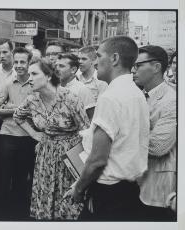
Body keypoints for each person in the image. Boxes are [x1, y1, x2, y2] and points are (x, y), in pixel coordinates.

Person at [71, 36, 150, 221]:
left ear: (114, 58)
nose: (95, 62)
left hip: (108, 193)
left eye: (98, 56)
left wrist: (79, 188)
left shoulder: (111, 97)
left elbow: (98, 160)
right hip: (129, 188)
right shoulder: (136, 92)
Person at [13, 58, 90, 220]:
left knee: (67, 201)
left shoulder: (70, 98)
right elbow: (17, 116)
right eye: (29, 74)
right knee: (46, 196)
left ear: (48, 76)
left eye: (34, 74)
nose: (29, 78)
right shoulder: (32, 99)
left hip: (69, 155)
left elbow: (86, 131)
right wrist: (34, 134)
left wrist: (82, 164)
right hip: (45, 154)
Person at [0, 47, 36, 220]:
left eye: (22, 62)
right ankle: (1, 215)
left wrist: (10, 108)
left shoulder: (35, 83)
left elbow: (38, 111)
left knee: (22, 176)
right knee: (4, 175)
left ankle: (20, 215)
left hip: (28, 136)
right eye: (16, 62)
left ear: (29, 63)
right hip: (8, 135)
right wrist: (18, 109)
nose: (18, 65)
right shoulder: (8, 83)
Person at [132, 45, 176, 221]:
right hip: (137, 181)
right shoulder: (140, 95)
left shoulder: (172, 101)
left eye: (138, 65)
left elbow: (158, 146)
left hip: (157, 188)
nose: (133, 70)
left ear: (157, 67)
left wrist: (120, 136)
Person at [56, 53, 96, 120]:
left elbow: (91, 118)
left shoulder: (82, 90)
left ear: (73, 70)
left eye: (61, 66)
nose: (57, 69)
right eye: (56, 66)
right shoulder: (53, 88)